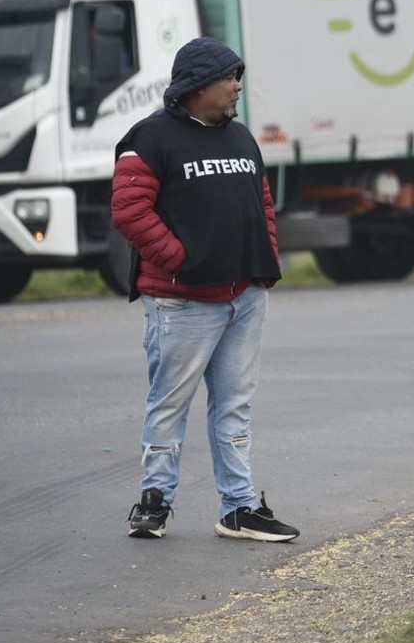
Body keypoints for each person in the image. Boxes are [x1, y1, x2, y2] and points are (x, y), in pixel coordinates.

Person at [111, 37, 297, 542]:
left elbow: (262, 205)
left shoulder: (241, 139)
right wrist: (182, 262)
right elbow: (129, 211)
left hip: (244, 297)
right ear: (196, 86)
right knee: (169, 403)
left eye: (238, 75)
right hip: (182, 301)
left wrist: (264, 260)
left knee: (234, 405)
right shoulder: (150, 138)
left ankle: (239, 508)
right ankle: (154, 504)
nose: (238, 86)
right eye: (228, 77)